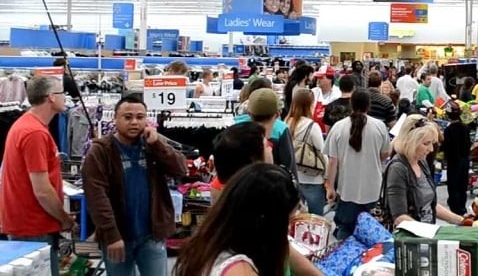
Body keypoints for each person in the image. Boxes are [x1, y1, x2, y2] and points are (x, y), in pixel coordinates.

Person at [82, 94, 187, 276]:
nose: (134, 122)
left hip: (151, 235)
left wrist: (157, 145)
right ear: (115, 119)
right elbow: (96, 197)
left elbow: (180, 170)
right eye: (128, 117)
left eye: (140, 117)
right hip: (118, 236)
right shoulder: (100, 151)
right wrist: (112, 235)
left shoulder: (151, 145)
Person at [208, 123, 321, 276]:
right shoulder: (237, 263)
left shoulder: (252, 220)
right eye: (266, 145)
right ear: (253, 163)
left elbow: (285, 249)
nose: (271, 148)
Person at [0, 76, 74, 276]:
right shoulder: (35, 133)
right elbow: (41, 190)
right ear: (51, 97)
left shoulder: (26, 125)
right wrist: (65, 219)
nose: (65, 97)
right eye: (61, 93)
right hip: (33, 226)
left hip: (26, 224)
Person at [174, 163, 300, 276]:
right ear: (267, 222)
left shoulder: (210, 243)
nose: (288, 230)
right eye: (287, 222)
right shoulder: (239, 270)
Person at [324, 90, 391, 240]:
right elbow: (385, 154)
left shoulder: (338, 127)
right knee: (372, 233)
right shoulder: (379, 126)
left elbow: (333, 160)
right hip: (373, 189)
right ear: (369, 105)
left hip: (347, 189)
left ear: (351, 104)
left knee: (345, 231)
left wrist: (330, 187)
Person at [386, 114, 464, 226]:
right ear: (411, 142)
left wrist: (461, 221)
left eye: (432, 143)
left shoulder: (421, 162)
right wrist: (429, 232)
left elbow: (431, 204)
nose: (431, 149)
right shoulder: (398, 169)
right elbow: (399, 217)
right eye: (426, 144)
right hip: (410, 238)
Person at [287, 88, 326, 216]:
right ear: (309, 104)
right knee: (316, 217)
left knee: (296, 217)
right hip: (312, 177)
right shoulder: (311, 126)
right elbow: (322, 151)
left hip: (293, 176)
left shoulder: (286, 123)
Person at [244, 88, 299, 179]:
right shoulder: (281, 129)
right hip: (275, 187)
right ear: (278, 114)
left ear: (249, 113)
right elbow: (289, 165)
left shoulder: (238, 130)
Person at [440, 101, 471, 216]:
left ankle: (455, 209)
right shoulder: (465, 128)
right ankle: (462, 207)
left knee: (453, 185)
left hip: (454, 162)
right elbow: (468, 145)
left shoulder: (449, 130)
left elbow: (446, 147)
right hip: (465, 160)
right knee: (463, 184)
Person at [312, 65, 340, 133]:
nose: (318, 80)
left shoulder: (338, 94)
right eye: (317, 77)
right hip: (314, 132)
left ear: (330, 79)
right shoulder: (312, 92)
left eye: (321, 78)